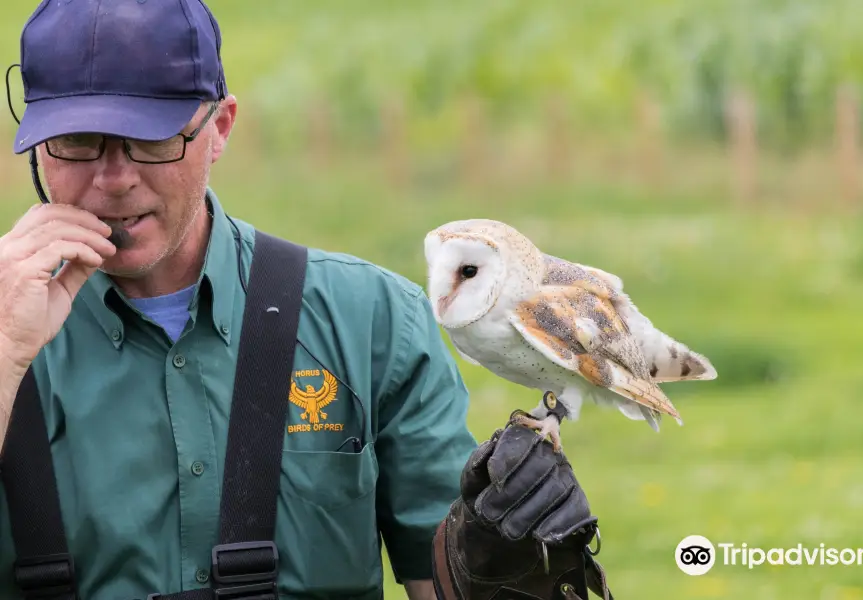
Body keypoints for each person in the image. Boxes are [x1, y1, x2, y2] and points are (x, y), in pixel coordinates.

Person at [0, 1, 612, 599]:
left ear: (218, 129)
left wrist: (505, 563)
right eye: (77, 142)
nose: (114, 177)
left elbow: (447, 583)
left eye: (153, 140)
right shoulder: (5, 325)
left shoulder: (372, 322)